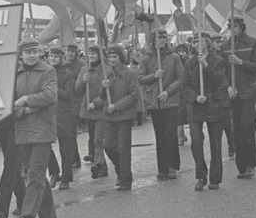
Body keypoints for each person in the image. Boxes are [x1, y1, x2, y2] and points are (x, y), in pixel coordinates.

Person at [13, 38, 58, 218]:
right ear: (21, 55)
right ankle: (49, 215)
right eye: (28, 52)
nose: (32, 55)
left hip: (42, 130)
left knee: (35, 173)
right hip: (23, 131)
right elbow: (10, 105)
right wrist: (25, 110)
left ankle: (27, 217)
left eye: (35, 51)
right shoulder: (15, 74)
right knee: (36, 174)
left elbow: (50, 96)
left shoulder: (48, 71)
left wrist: (25, 100)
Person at [181, 33, 227, 190]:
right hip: (197, 106)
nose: (197, 43)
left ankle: (215, 178)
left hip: (214, 103)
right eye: (195, 41)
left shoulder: (218, 61)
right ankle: (201, 175)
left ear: (207, 43)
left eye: (200, 41)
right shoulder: (189, 63)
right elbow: (185, 86)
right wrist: (195, 97)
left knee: (215, 144)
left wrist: (206, 65)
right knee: (196, 142)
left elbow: (218, 81)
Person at [138, 28, 184, 180]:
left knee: (170, 134)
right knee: (160, 135)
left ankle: (172, 166)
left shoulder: (174, 57)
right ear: (153, 40)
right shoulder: (146, 58)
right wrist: (154, 76)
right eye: (159, 38)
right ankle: (162, 167)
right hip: (154, 101)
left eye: (164, 38)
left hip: (170, 101)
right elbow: (140, 78)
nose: (162, 40)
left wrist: (168, 91)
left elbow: (180, 78)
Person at [221, 16, 256, 179]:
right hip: (234, 93)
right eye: (230, 26)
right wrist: (228, 86)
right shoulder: (225, 46)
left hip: (248, 91)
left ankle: (250, 164)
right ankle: (242, 166)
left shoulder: (253, 43)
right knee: (237, 129)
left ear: (242, 27)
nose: (233, 29)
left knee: (247, 126)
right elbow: (222, 71)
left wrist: (241, 62)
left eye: (236, 26)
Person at [99, 44, 140, 191]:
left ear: (121, 58)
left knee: (123, 149)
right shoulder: (107, 74)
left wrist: (116, 106)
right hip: (109, 116)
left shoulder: (130, 74)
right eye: (110, 57)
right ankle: (121, 170)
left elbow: (133, 95)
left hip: (124, 116)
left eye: (115, 57)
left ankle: (126, 179)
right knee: (109, 147)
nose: (112, 60)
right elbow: (102, 96)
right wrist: (103, 87)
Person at [76, 44, 108, 178]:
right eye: (89, 53)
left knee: (98, 139)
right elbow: (77, 90)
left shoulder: (107, 69)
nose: (91, 56)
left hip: (101, 108)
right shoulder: (84, 69)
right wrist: (83, 81)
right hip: (89, 109)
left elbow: (108, 93)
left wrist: (96, 103)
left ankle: (99, 164)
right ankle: (101, 165)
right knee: (94, 138)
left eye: (94, 53)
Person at [47, 44, 76, 190]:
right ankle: (54, 172)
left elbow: (69, 95)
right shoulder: (45, 71)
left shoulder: (67, 74)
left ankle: (66, 177)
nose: (53, 59)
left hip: (63, 113)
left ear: (61, 58)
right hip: (47, 113)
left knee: (65, 148)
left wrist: (54, 88)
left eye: (56, 56)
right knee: (45, 145)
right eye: (51, 56)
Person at [0, 115, 25, 218]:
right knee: (11, 163)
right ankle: (23, 200)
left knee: (11, 162)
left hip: (18, 120)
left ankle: (1, 207)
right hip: (3, 120)